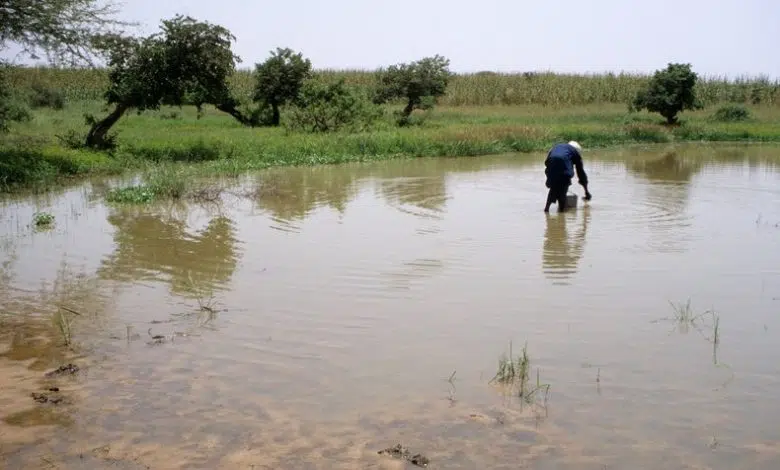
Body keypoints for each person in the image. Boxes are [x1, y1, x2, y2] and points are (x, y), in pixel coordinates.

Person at [543, 140, 592, 212]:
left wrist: (549, 178)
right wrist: (586, 191)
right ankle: (561, 214)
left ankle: (546, 209)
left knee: (554, 188)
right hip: (562, 167)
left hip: (551, 165)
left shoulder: (557, 147)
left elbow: (547, 162)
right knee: (563, 188)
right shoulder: (575, 153)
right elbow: (581, 173)